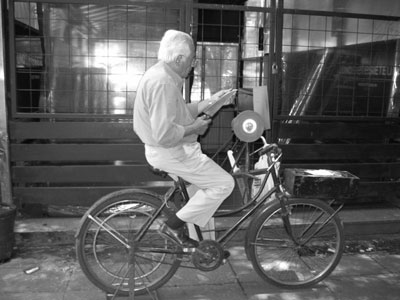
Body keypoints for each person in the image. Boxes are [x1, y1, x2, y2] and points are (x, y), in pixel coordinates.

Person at [133, 29, 235, 248]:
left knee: (199, 191)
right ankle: (173, 226)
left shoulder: (162, 75)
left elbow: (177, 113)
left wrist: (212, 101)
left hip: (165, 150)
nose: (193, 65)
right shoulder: (164, 83)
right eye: (192, 60)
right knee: (225, 183)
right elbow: (165, 134)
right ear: (179, 58)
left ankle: (203, 248)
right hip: (169, 151)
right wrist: (195, 127)